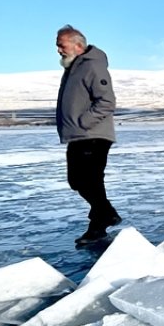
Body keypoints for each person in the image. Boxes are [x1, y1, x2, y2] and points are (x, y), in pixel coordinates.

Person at [55, 25, 122, 245]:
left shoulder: (92, 66)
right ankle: (102, 220)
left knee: (88, 181)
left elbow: (106, 102)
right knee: (81, 182)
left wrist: (84, 123)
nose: (58, 50)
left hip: (92, 135)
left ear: (78, 46)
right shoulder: (74, 68)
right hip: (80, 135)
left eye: (61, 45)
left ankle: (102, 220)